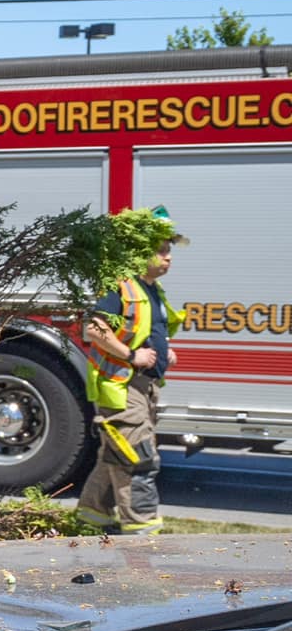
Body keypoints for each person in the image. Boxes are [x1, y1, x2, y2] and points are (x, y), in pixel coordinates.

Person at [75, 219, 186, 534]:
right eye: (162, 251)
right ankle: (142, 528)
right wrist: (131, 356)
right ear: (140, 255)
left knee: (116, 452)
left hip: (143, 388)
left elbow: (148, 330)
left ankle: (92, 515)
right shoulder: (120, 287)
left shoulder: (152, 290)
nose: (169, 257)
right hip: (122, 389)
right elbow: (94, 329)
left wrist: (165, 352)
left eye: (169, 252)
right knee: (137, 457)